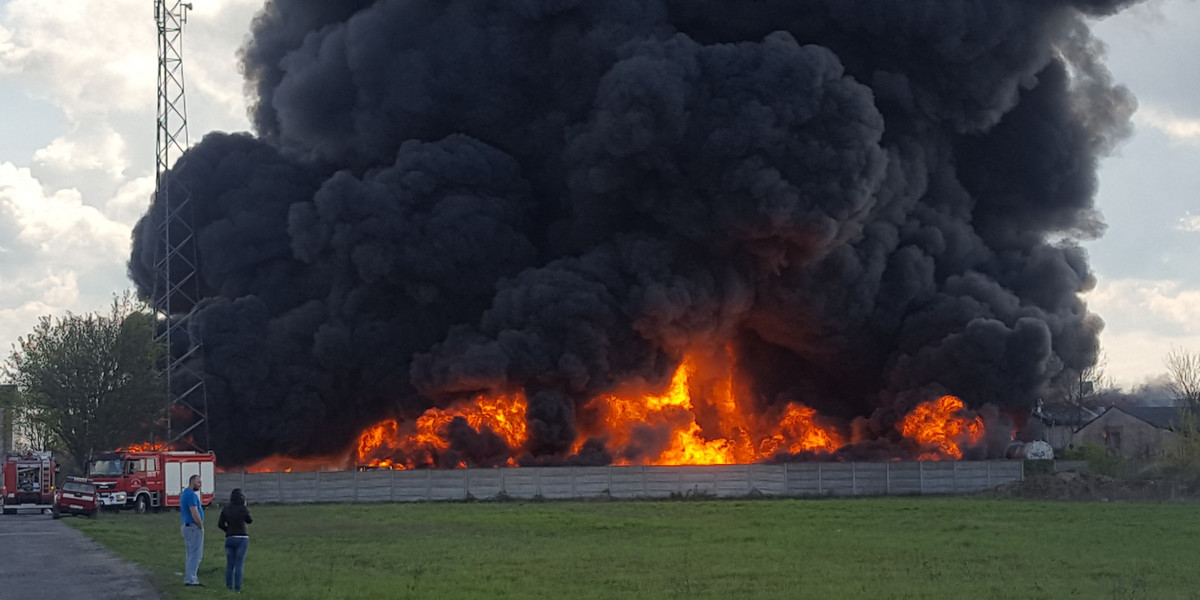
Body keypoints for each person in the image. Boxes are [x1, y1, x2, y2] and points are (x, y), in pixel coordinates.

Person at [218, 488, 254, 593]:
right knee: (239, 564)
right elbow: (250, 520)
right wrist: (246, 507)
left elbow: (220, 524)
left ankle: (229, 587)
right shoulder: (243, 508)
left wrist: (227, 530)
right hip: (242, 537)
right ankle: (237, 589)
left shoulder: (226, 509)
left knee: (230, 564)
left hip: (230, 537)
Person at [180, 474, 205, 587]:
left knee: (190, 554)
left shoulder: (185, 493)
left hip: (187, 526)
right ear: (193, 482)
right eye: (199, 482)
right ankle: (191, 580)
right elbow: (194, 512)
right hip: (193, 527)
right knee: (195, 555)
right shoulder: (191, 495)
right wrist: (200, 525)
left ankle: (190, 578)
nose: (200, 484)